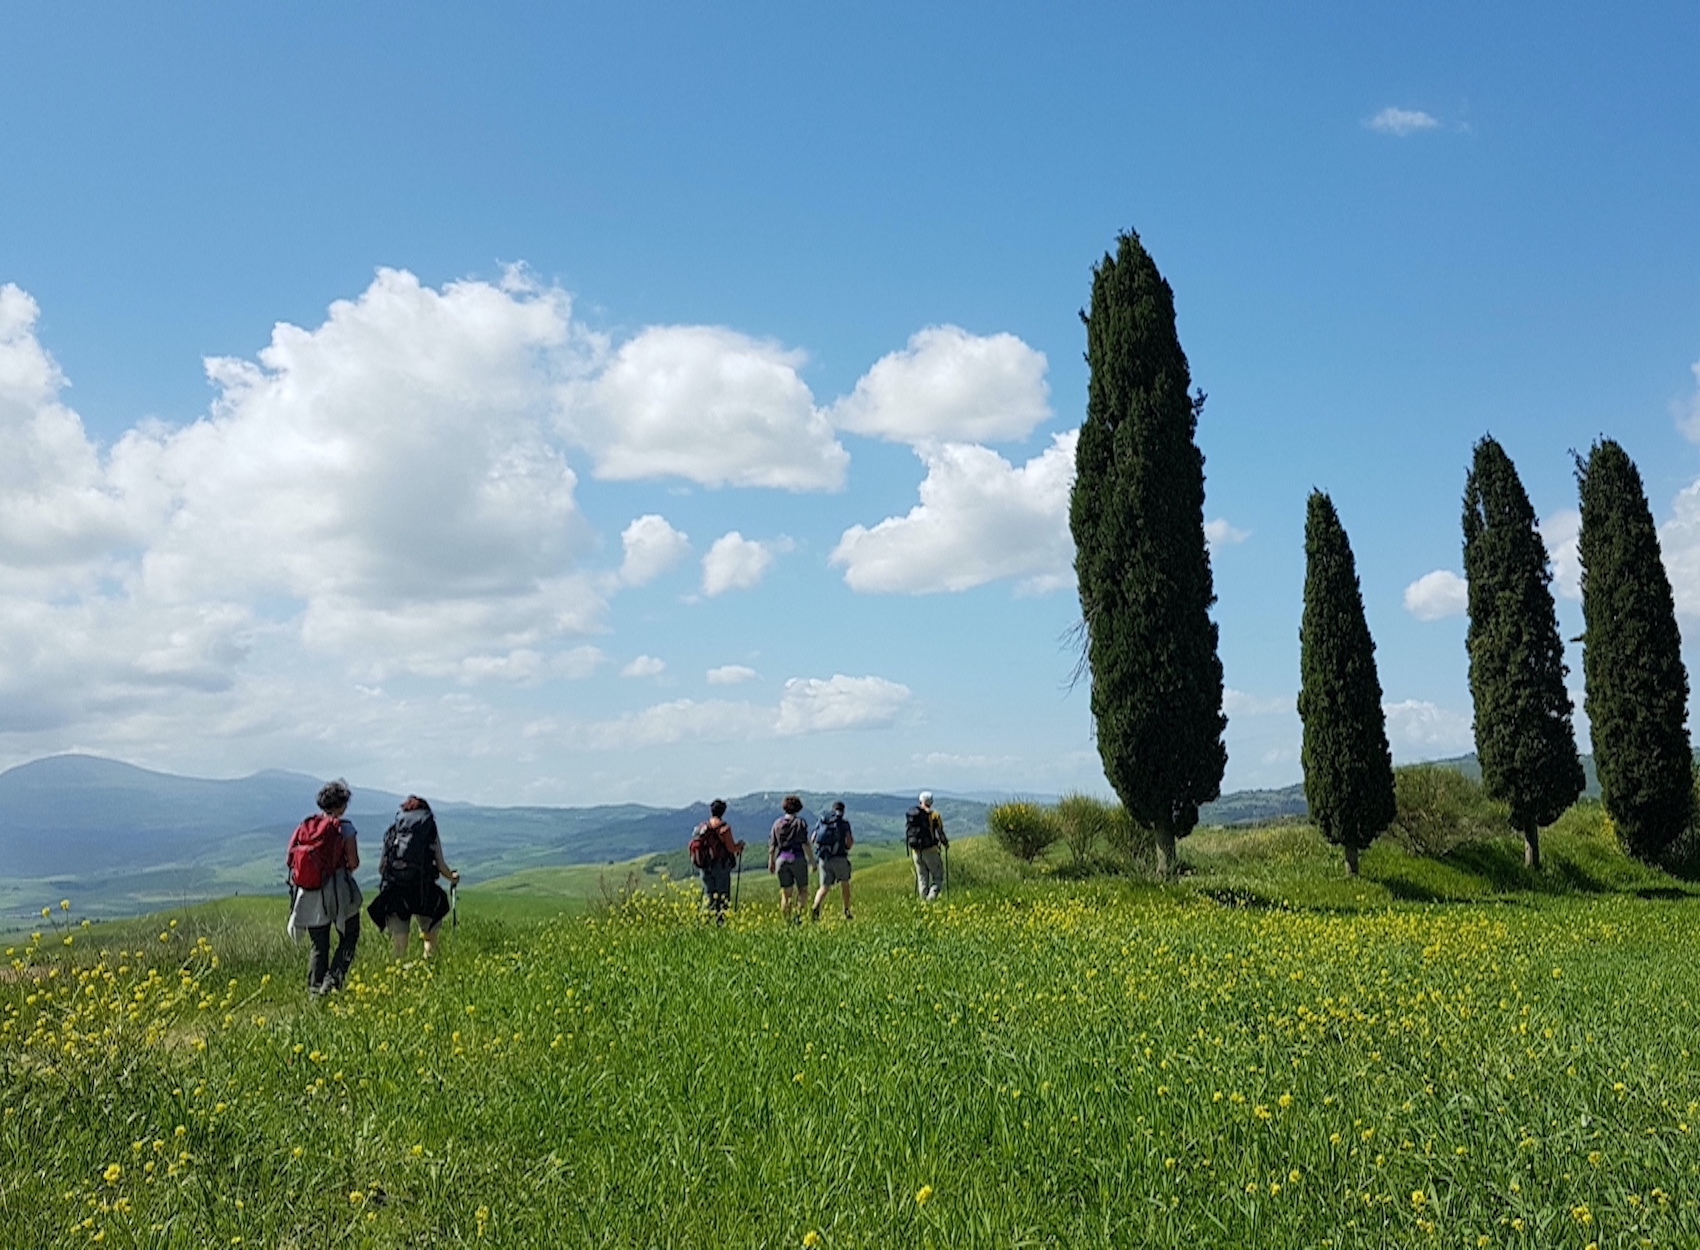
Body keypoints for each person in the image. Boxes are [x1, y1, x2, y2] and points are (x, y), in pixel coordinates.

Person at [287, 779, 363, 995]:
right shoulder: (345, 828)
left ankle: (315, 990)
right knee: (350, 935)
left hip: (309, 893)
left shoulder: (305, 826)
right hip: (337, 890)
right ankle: (332, 981)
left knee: (319, 944)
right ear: (343, 805)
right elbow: (354, 862)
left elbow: (290, 859)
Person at [367, 796, 460, 959]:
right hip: (424, 890)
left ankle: (398, 978)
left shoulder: (395, 829)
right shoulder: (429, 828)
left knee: (399, 945)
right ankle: (429, 968)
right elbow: (440, 864)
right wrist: (452, 877)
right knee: (430, 937)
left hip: (396, 891)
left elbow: (382, 866)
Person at [692, 798, 745, 920]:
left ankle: (705, 920)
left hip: (705, 866)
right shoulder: (723, 828)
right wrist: (740, 846)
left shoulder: (702, 828)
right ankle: (721, 921)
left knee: (708, 894)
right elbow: (731, 848)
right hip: (720, 866)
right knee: (723, 896)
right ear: (723, 812)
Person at [768, 794, 816, 923]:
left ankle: (787, 921)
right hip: (798, 858)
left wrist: (771, 862)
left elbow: (772, 846)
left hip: (782, 859)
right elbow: (806, 844)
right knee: (803, 890)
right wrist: (812, 861)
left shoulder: (777, 824)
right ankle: (798, 918)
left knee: (786, 893)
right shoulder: (800, 823)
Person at [810, 800, 854, 922]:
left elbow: (813, 839)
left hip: (824, 859)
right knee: (845, 884)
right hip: (840, 857)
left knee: (824, 886)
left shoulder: (823, 821)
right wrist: (844, 848)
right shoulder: (844, 824)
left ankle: (816, 907)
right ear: (843, 811)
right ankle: (846, 911)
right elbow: (849, 842)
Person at [906, 790, 949, 901]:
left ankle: (922, 902)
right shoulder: (934, 815)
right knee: (937, 877)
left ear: (921, 801)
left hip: (916, 851)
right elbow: (940, 833)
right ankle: (931, 900)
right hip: (930, 850)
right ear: (931, 802)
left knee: (922, 878)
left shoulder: (915, 815)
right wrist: (946, 844)